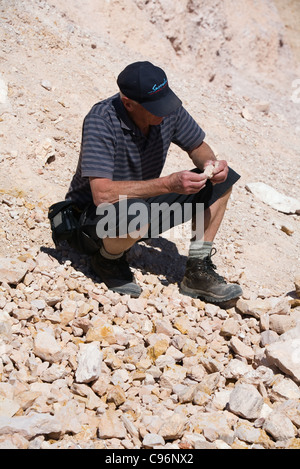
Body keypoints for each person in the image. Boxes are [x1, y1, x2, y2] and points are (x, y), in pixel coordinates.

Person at [51, 61, 243, 303]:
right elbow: (102, 194)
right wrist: (168, 185)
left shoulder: (165, 109)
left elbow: (198, 146)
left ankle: (197, 270)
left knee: (221, 185)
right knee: (135, 212)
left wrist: (210, 165)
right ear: (128, 103)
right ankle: (107, 259)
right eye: (155, 108)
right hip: (90, 218)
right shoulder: (100, 120)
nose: (163, 112)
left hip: (137, 206)